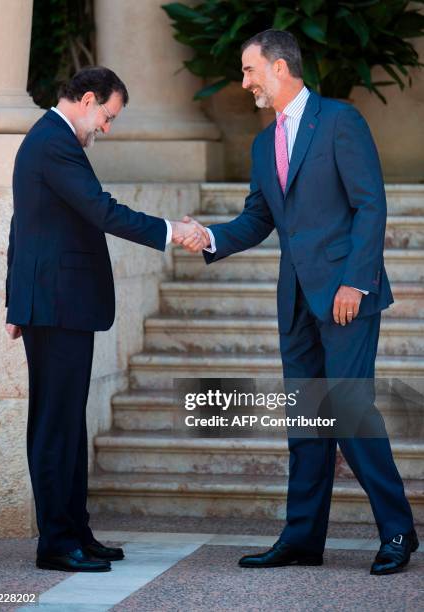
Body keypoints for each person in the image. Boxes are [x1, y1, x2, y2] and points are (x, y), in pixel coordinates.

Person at [181, 30, 418, 575]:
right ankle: (303, 539)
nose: (245, 83)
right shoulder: (265, 145)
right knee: (306, 423)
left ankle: (399, 532)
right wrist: (209, 237)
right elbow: (257, 221)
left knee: (351, 412)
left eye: (249, 70)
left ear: (281, 67)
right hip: (295, 302)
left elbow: (369, 205)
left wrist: (355, 283)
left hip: (345, 298)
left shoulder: (339, 121)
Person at [5, 66, 207, 572]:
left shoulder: (51, 141)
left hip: (57, 303)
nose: (106, 128)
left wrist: (14, 300)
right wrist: (169, 231)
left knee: (69, 421)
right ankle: (55, 542)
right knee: (56, 424)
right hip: (55, 304)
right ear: (88, 98)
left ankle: (76, 530)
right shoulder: (54, 142)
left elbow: (21, 225)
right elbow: (102, 211)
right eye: (108, 117)